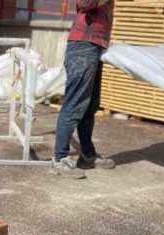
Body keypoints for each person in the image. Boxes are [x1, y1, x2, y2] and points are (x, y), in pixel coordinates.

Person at [50, 0, 116, 178]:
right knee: (74, 105)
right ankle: (60, 158)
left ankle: (87, 155)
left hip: (95, 45)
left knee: (90, 106)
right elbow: (85, 2)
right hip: (83, 46)